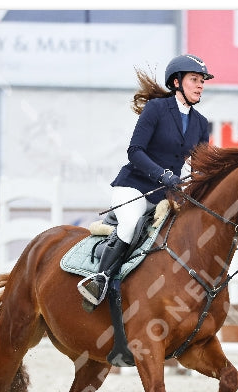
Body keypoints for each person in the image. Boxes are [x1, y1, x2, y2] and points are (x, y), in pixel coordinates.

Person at [78, 54, 214, 310]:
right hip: (134, 186)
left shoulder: (201, 123)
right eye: (194, 80)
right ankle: (99, 281)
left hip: (167, 195)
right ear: (177, 82)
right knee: (130, 225)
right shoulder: (157, 109)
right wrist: (162, 175)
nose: (200, 85)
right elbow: (135, 150)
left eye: (202, 81)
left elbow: (200, 167)